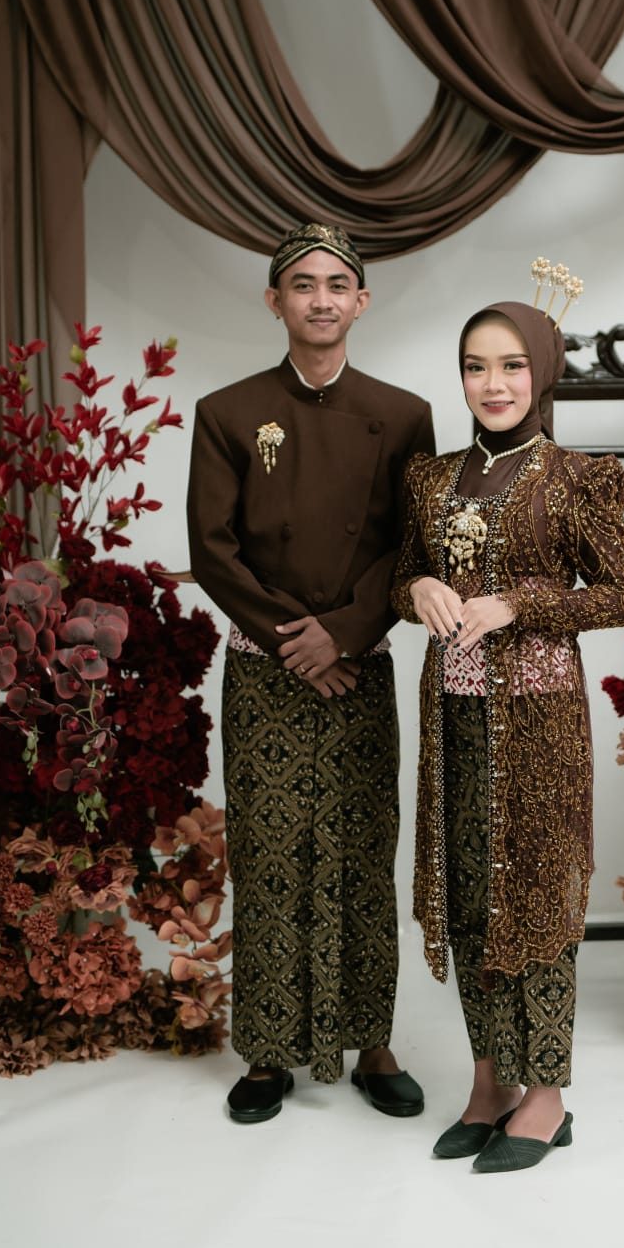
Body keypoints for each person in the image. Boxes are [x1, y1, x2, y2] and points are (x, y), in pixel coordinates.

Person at [187, 221, 435, 1124]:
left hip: (359, 665)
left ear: (361, 302)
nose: (320, 299)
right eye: (303, 284)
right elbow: (212, 551)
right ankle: (266, 1051)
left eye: (337, 284)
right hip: (266, 671)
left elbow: (411, 544)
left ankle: (374, 1042)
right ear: (275, 301)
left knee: (366, 851)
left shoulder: (404, 414)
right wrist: (297, 641)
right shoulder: (226, 412)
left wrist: (346, 634)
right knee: (268, 855)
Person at [391, 295, 624, 1172]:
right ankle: (490, 1082)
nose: (492, 384)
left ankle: (546, 1095)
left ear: (542, 372)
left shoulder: (577, 477)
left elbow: (623, 594)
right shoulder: (430, 479)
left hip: (540, 721)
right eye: (475, 366)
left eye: (511, 365)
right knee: (470, 893)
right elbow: (399, 577)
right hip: (454, 716)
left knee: (535, 896)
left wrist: (518, 603)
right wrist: (419, 587)